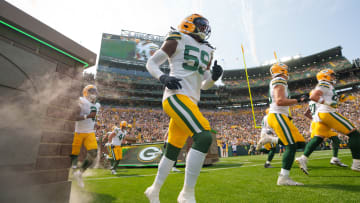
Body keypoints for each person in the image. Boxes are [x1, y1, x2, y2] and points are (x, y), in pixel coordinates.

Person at [144, 13, 223, 203]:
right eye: (201, 25)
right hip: (175, 96)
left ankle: (154, 190)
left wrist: (213, 78)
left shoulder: (207, 49)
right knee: (204, 136)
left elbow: (204, 85)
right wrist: (162, 77)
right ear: (189, 25)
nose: (204, 29)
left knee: (172, 151)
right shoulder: (178, 38)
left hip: (191, 101)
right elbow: (151, 63)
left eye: (206, 26)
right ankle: (186, 194)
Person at [296, 69, 360, 174]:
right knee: (355, 134)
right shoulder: (324, 83)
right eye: (332, 75)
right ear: (325, 76)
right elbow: (314, 97)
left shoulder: (327, 86)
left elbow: (328, 100)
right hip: (327, 113)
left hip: (321, 115)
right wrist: (329, 103)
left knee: (318, 138)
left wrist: (337, 101)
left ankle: (303, 158)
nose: (334, 77)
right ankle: (357, 164)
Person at [266, 63, 307, 185]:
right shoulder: (279, 80)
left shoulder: (277, 81)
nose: (287, 72)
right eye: (286, 70)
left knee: (300, 142)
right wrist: (299, 100)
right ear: (282, 70)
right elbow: (279, 101)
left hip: (281, 116)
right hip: (277, 115)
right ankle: (283, 178)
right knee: (291, 146)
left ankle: (271, 139)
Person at [70, 85, 101, 187]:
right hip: (78, 131)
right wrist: (87, 116)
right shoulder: (81, 101)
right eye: (91, 91)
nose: (94, 93)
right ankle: (73, 171)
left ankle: (80, 173)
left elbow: (91, 117)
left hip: (89, 132)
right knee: (74, 153)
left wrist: (94, 123)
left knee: (93, 153)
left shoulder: (96, 105)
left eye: (95, 91)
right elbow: (74, 117)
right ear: (85, 93)